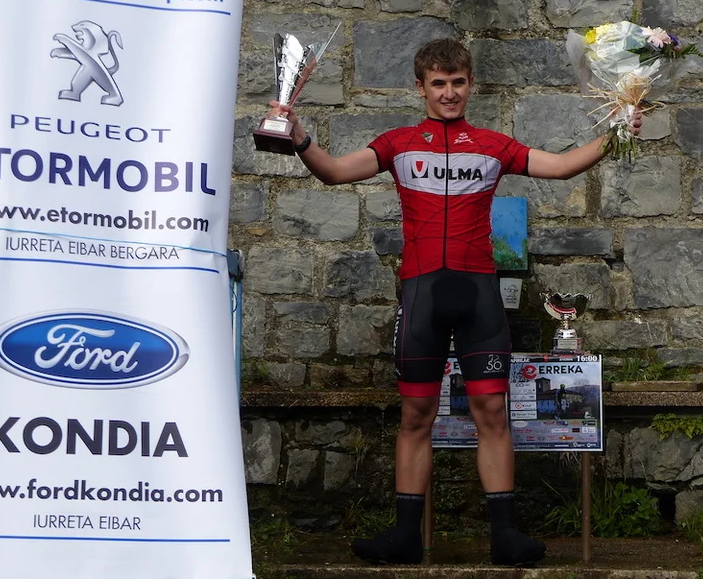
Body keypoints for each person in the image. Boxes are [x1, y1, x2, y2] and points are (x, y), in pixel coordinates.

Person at [270, 38, 642, 566]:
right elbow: (332, 171)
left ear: (471, 85)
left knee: (493, 411)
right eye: (439, 83)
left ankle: (505, 535)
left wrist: (618, 131)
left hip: (477, 295)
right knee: (416, 414)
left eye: (458, 82)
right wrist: (299, 135)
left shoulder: (492, 145)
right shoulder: (398, 143)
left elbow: (561, 167)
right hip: (422, 293)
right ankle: (405, 536)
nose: (449, 93)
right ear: (420, 87)